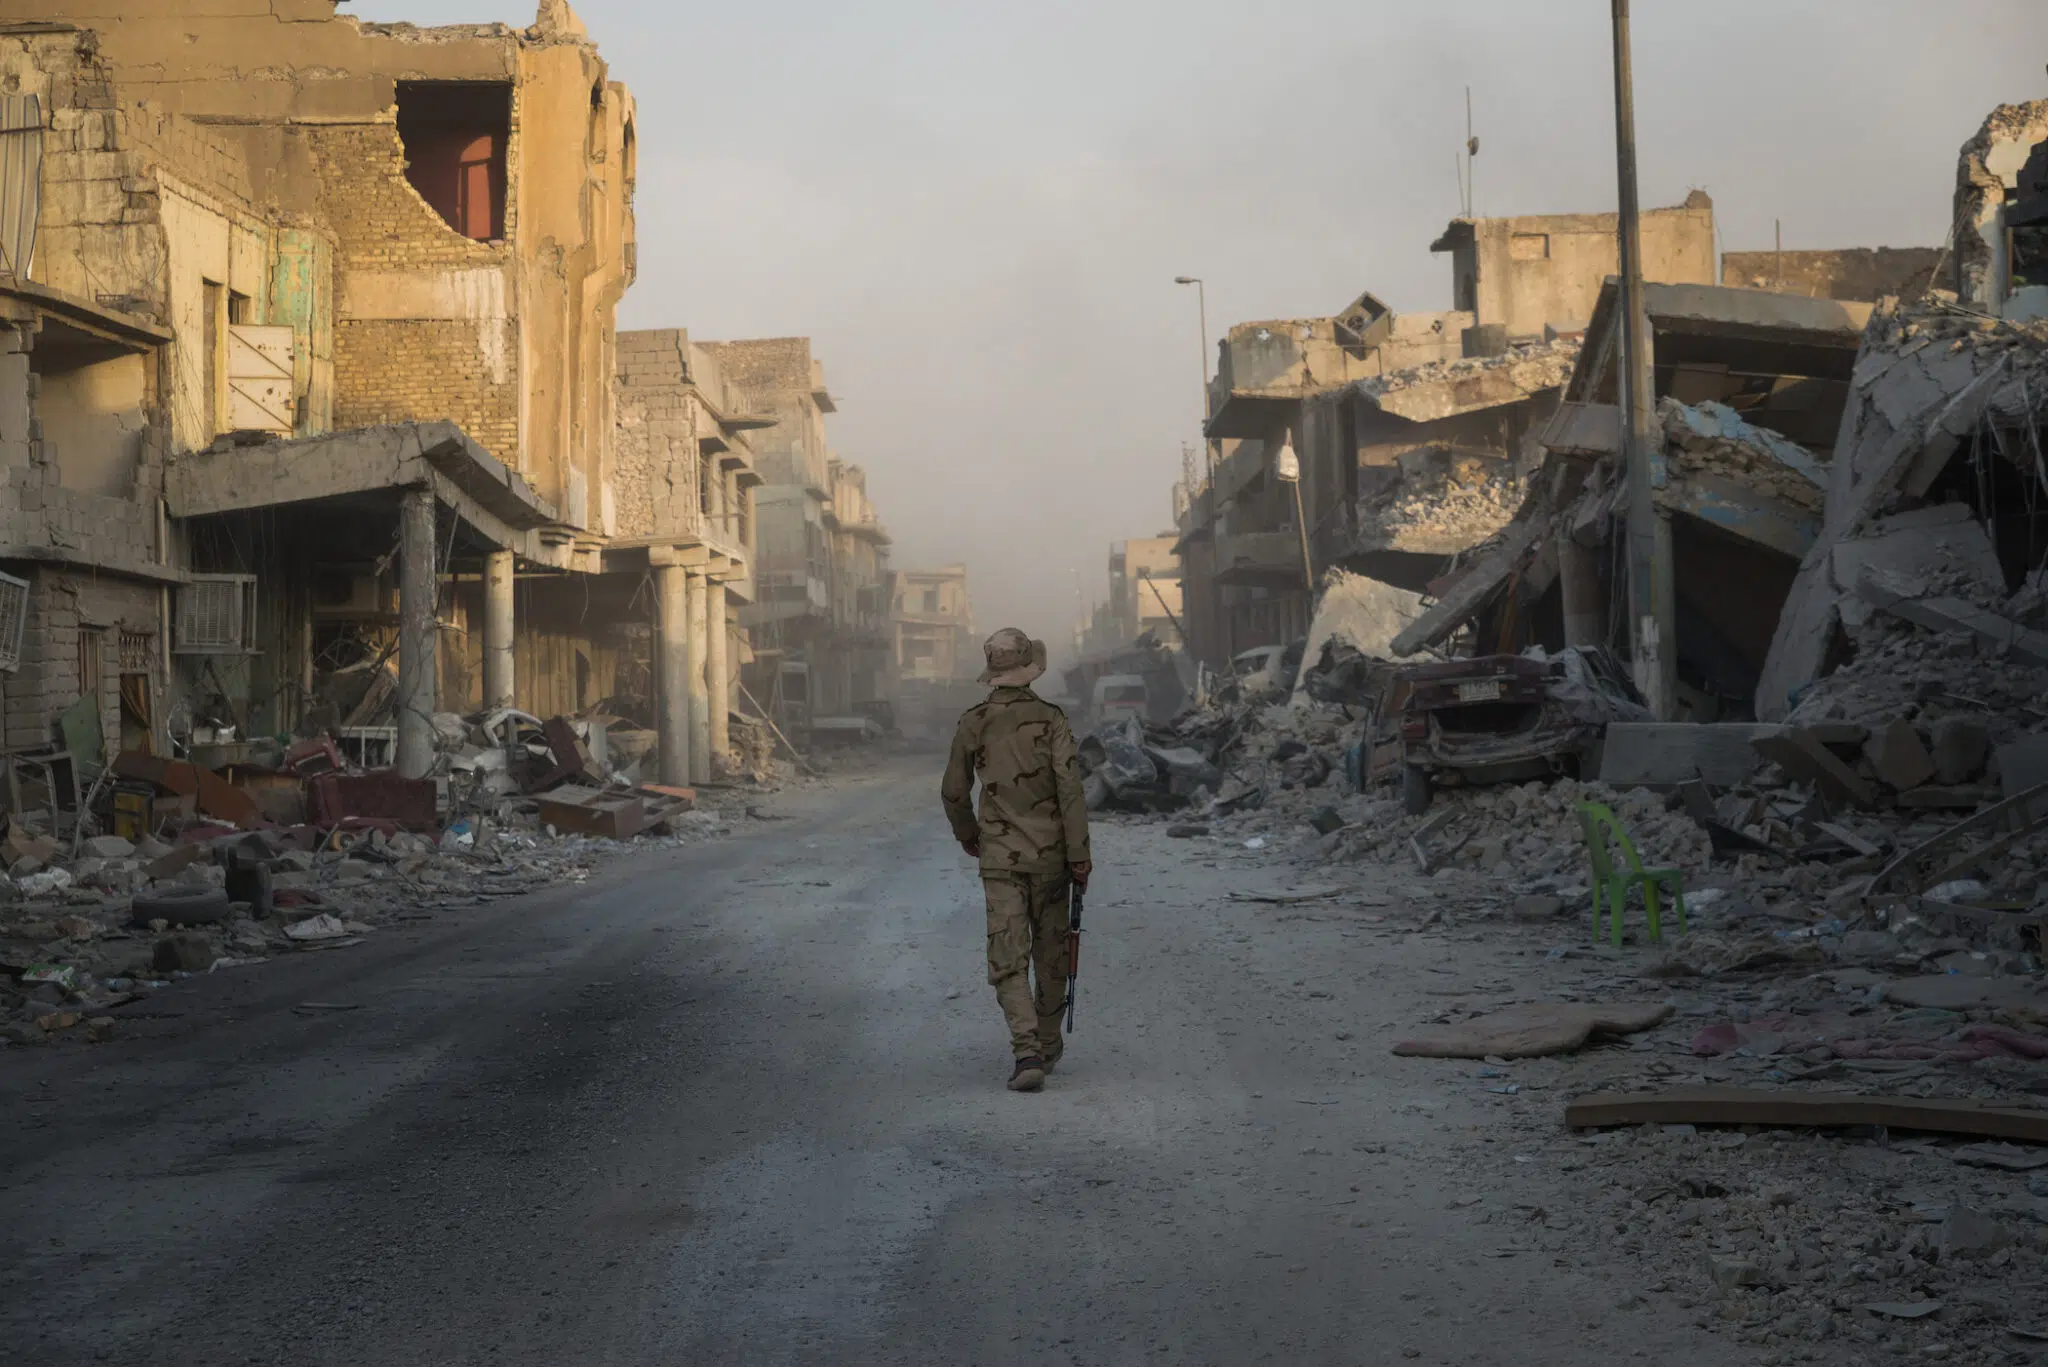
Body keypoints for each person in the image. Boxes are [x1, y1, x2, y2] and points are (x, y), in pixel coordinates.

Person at [941, 627, 1093, 1092]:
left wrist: (970, 836)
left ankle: (1025, 1050)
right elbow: (1070, 790)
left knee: (1008, 955)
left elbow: (952, 791)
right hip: (1053, 861)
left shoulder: (975, 721)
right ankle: (1046, 1046)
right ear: (1030, 669)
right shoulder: (1052, 719)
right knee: (1052, 954)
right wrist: (1080, 856)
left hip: (1001, 860)